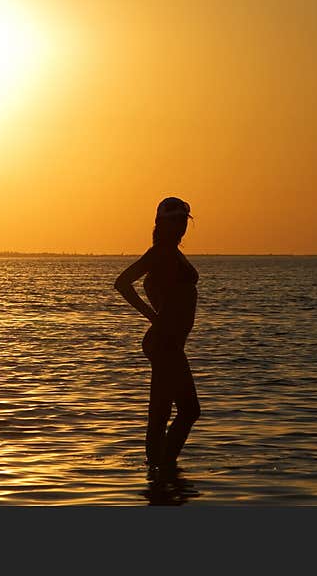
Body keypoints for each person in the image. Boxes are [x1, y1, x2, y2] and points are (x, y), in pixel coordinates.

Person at [114, 196, 200, 475]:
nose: (181, 227)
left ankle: (158, 471)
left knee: (161, 412)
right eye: (174, 221)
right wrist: (152, 316)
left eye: (183, 221)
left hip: (170, 342)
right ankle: (164, 466)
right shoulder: (161, 251)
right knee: (189, 410)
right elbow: (122, 283)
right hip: (164, 343)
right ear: (162, 223)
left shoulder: (172, 252)